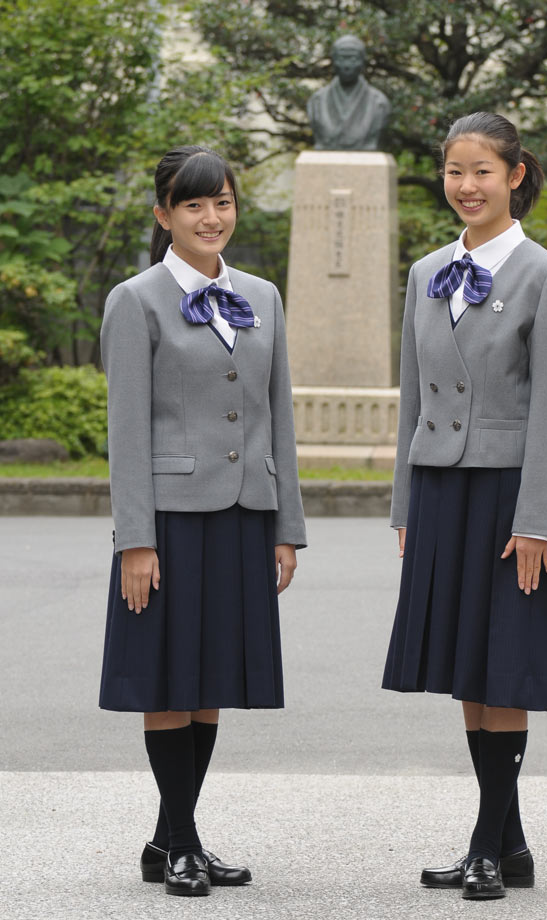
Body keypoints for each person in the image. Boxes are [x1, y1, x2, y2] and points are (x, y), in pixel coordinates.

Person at [99, 145, 306, 897]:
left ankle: (170, 836)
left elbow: (277, 415)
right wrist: (135, 540)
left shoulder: (263, 296)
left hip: (245, 513)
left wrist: (288, 524)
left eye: (220, 202)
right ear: (163, 216)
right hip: (170, 520)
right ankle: (183, 840)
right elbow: (125, 431)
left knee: (211, 673)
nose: (209, 217)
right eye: (192, 205)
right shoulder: (136, 299)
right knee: (167, 679)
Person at [382, 112, 547, 901]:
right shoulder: (426, 270)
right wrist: (403, 506)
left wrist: (536, 520)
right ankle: (512, 842)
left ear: (516, 174)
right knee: (471, 666)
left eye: (483, 172)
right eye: (455, 171)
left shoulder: (545, 275)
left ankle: (484, 848)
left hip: (508, 496)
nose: (467, 186)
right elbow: (410, 402)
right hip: (440, 489)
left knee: (505, 669)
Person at [307, 34, 391, 150]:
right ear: (333, 61)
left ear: (362, 61)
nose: (346, 65)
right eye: (341, 58)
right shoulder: (317, 101)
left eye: (352, 59)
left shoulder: (379, 103)